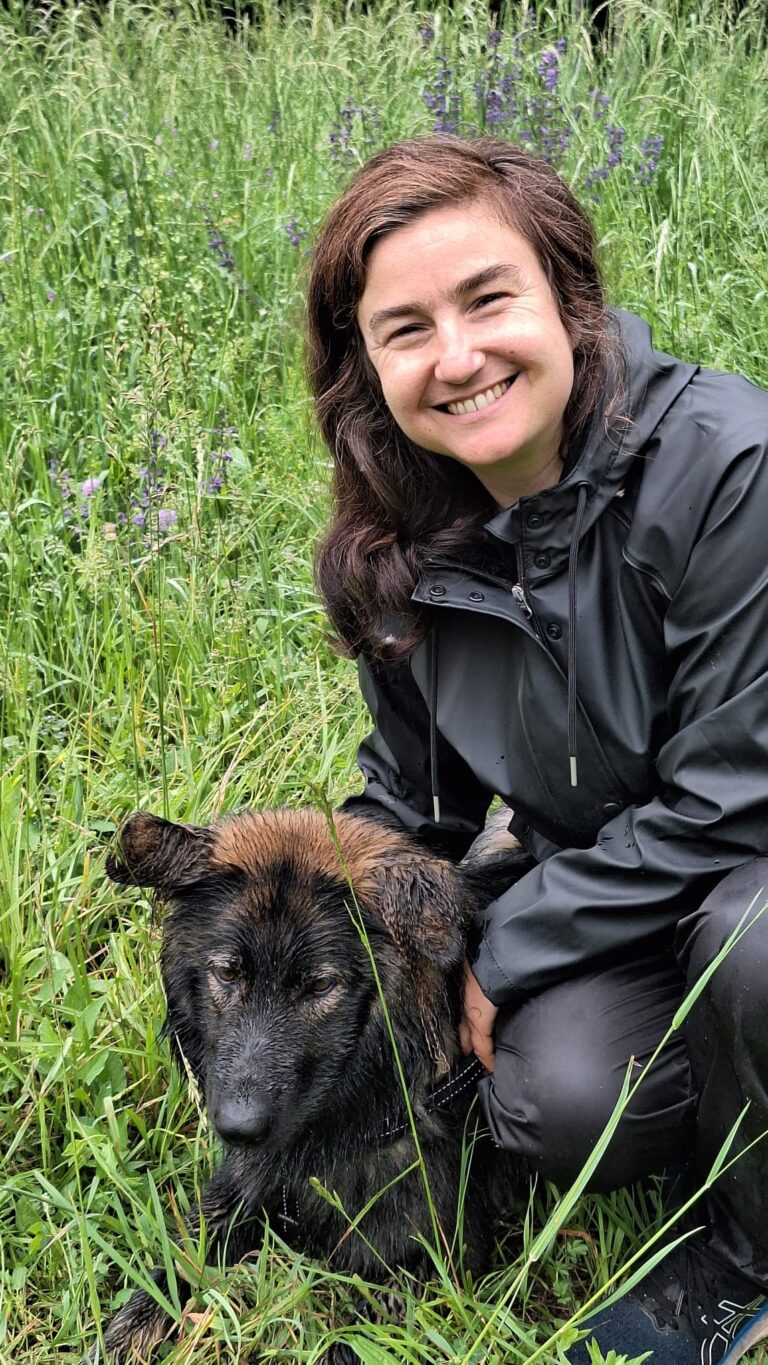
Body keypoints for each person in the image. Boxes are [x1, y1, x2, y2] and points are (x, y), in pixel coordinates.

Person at [305, 135, 768, 1362]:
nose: (457, 357)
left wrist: (508, 948)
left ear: (567, 295)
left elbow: (735, 801)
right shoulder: (400, 544)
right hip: (631, 886)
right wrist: (312, 946)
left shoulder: (731, 468)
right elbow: (415, 802)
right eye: (406, 329)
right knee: (558, 1099)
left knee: (757, 941)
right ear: (366, 365)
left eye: (487, 299)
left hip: (751, 868)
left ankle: (743, 1261)